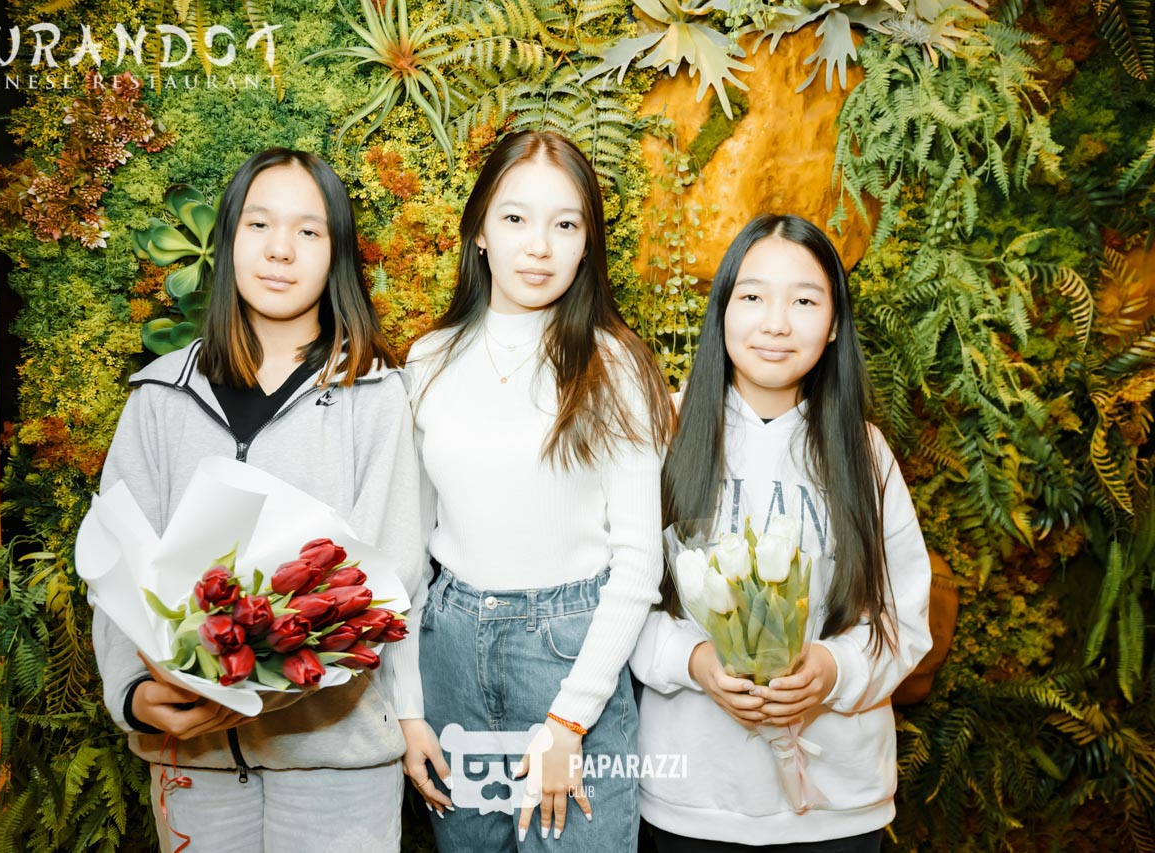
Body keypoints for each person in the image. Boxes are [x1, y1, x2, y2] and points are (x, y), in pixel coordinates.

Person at [89, 148, 424, 852]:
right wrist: (136, 696)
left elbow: (392, 574)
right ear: (229, 238)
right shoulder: (160, 397)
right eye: (259, 224)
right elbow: (116, 563)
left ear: (336, 252)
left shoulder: (374, 395)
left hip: (336, 763)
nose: (280, 250)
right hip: (193, 762)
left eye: (308, 230)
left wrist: (253, 682)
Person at [399, 130, 673, 852]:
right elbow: (406, 555)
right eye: (516, 218)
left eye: (566, 224)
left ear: (587, 245)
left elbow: (638, 562)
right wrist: (408, 708)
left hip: (571, 658)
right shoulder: (428, 360)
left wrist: (569, 720)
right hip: (450, 655)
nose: (539, 247)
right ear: (480, 231)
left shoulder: (615, 366)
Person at [629, 214, 932, 852]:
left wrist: (832, 668)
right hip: (694, 796)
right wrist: (695, 661)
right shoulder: (662, 434)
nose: (776, 323)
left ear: (834, 325)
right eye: (752, 296)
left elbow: (904, 619)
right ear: (721, 310)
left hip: (838, 806)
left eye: (804, 301)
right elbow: (614, 601)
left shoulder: (864, 454)